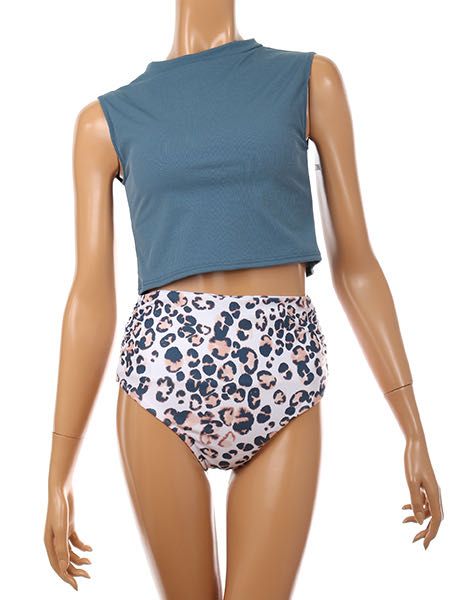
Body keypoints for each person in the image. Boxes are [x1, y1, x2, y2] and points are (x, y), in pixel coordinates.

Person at [44, 2, 443, 598]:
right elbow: (89, 297)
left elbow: (356, 262)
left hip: (283, 372)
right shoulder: (103, 122)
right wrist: (60, 470)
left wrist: (412, 426)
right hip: (163, 380)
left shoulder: (309, 81)